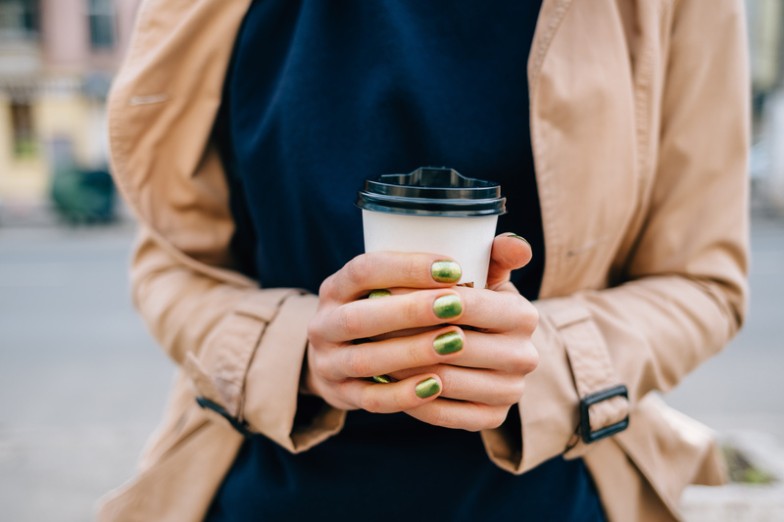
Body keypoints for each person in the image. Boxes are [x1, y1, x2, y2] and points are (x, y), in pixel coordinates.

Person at [98, 1, 750, 520]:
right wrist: (294, 353)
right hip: (259, 485)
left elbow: (702, 281)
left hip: (555, 492)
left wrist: (548, 357)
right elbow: (170, 263)